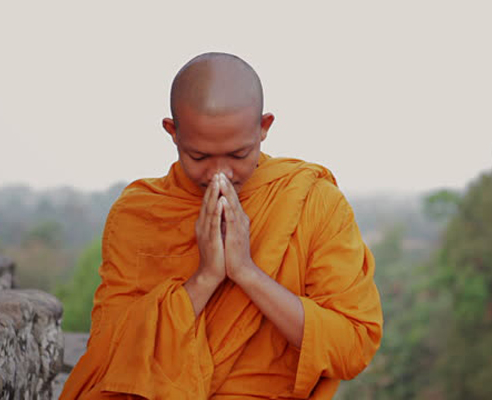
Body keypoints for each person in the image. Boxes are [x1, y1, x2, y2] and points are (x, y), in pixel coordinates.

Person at [60, 52, 383, 400]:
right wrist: (205, 278)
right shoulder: (139, 215)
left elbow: (351, 346)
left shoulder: (313, 203)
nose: (219, 173)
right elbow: (110, 356)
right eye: (198, 157)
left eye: (238, 155)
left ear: (264, 127)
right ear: (172, 132)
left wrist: (246, 272)